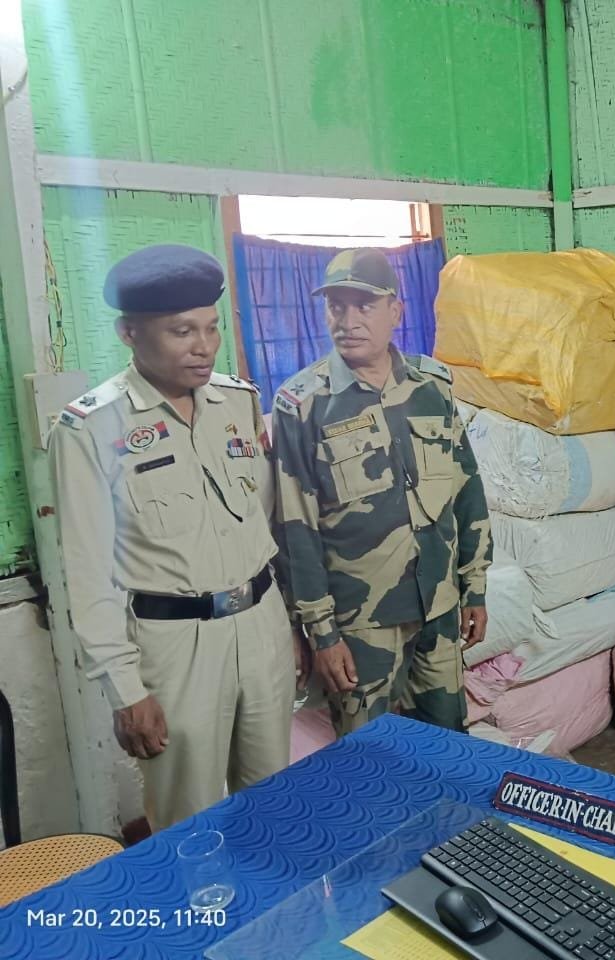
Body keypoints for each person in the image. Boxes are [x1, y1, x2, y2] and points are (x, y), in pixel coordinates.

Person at [48, 245, 298, 831]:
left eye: (211, 328)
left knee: (273, 802)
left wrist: (291, 627)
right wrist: (125, 689)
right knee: (190, 822)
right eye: (182, 331)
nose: (204, 346)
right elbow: (87, 574)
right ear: (129, 333)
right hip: (175, 644)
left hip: (261, 625)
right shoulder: (91, 427)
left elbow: (264, 522)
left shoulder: (239, 401)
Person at [271, 248, 492, 736]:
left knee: (448, 749)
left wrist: (473, 585)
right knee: (368, 760)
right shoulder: (304, 405)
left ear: (395, 311)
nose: (348, 321)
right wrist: (321, 634)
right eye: (336, 306)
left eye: (364, 305)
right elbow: (294, 530)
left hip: (438, 605)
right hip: (361, 624)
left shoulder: (431, 387)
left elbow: (466, 489)